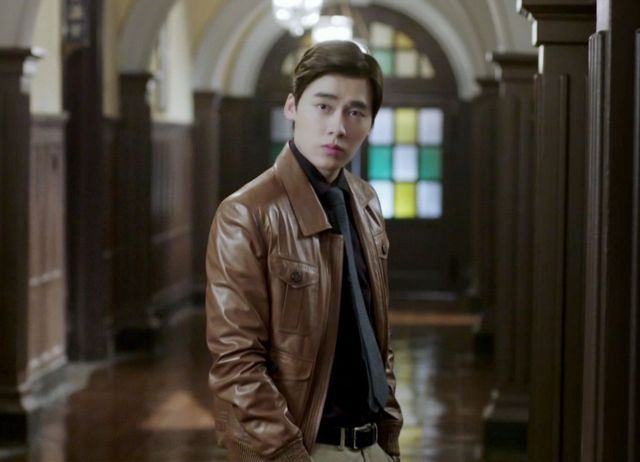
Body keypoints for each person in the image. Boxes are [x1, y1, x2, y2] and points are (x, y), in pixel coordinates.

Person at [205, 40, 402, 462]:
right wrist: (290, 454)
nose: (338, 127)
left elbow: (378, 337)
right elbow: (236, 364)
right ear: (292, 107)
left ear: (370, 123)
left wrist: (388, 439)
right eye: (323, 106)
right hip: (302, 448)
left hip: (372, 446)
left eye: (356, 112)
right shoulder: (247, 213)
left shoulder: (365, 201)